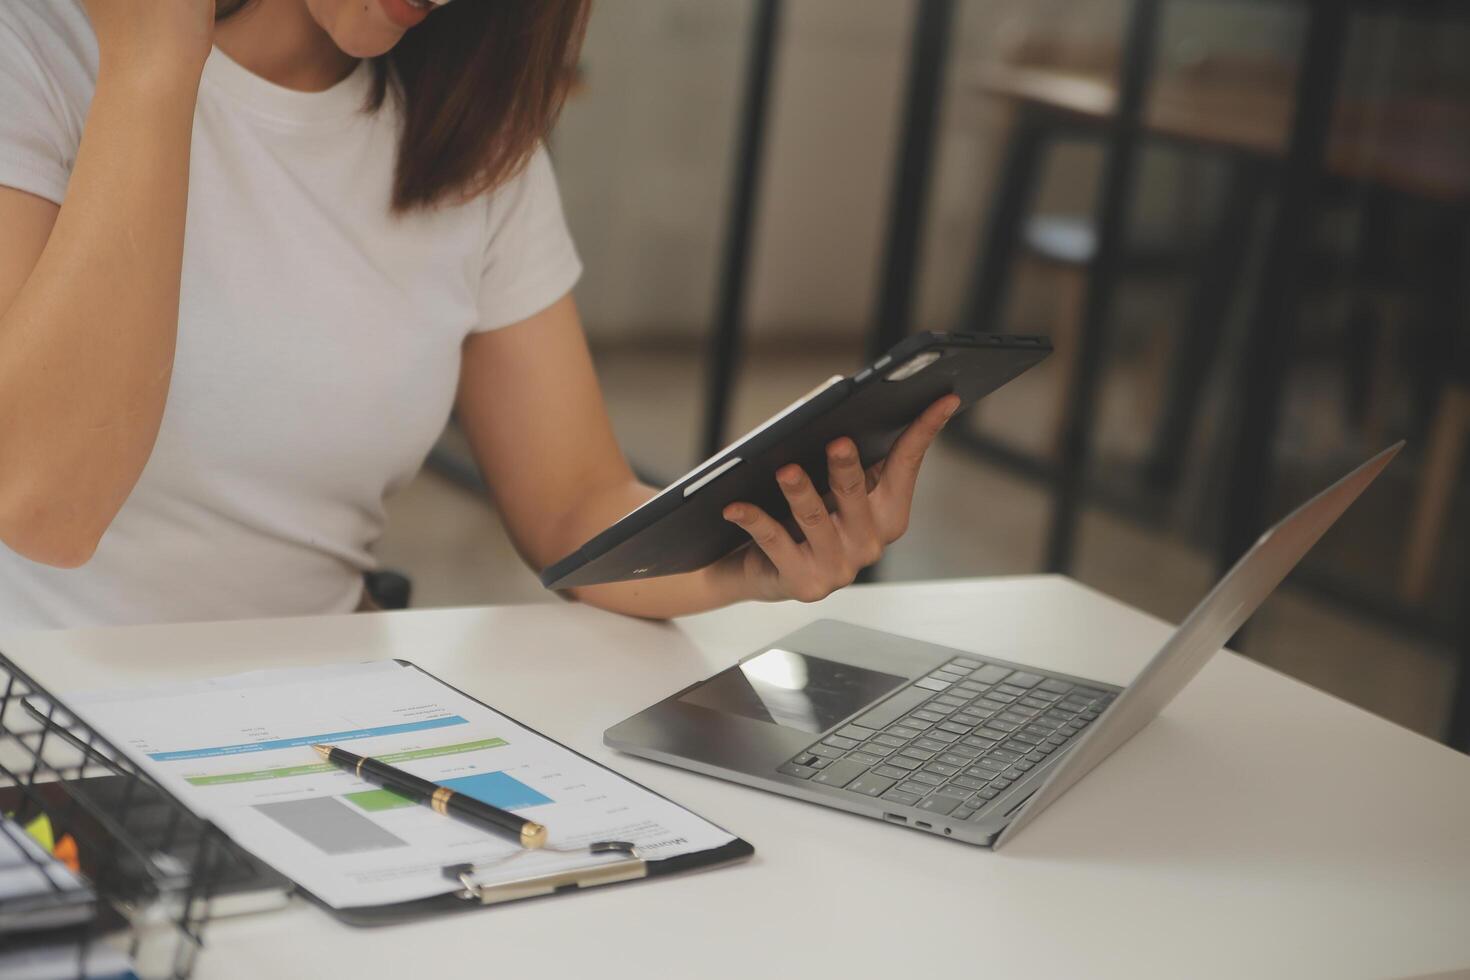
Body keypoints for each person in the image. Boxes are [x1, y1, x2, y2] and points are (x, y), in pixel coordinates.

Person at [0, 0, 958, 632]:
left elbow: (576, 503)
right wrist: (155, 61)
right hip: (44, 745)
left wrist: (742, 561)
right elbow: (43, 504)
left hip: (299, 731)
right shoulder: (35, 58)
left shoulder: (464, 137)